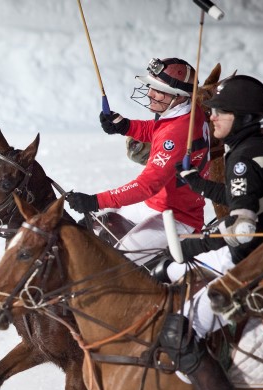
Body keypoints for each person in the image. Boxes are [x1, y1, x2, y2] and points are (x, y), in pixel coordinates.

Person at [156, 74, 263, 390]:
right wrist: (199, 184)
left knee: (180, 330)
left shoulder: (240, 159)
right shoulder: (260, 147)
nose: (212, 117)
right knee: (167, 270)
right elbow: (248, 197)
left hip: (252, 261)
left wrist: (198, 243)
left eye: (221, 111)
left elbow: (243, 229)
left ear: (243, 117)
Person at [66, 57, 209, 264]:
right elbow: (160, 130)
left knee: (115, 263)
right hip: (156, 204)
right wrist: (126, 126)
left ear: (179, 96)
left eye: (158, 90)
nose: (150, 93)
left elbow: (145, 186)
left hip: (177, 217)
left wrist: (95, 200)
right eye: (151, 86)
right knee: (92, 227)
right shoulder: (188, 111)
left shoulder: (177, 133)